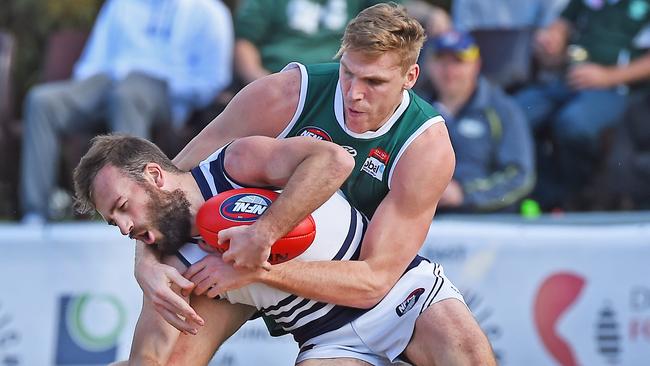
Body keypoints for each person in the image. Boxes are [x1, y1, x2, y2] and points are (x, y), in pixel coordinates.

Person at [136, 4, 495, 365]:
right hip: (256, 258)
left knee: (472, 357)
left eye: (373, 82)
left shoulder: (426, 147)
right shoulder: (286, 94)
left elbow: (376, 279)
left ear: (410, 76)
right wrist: (146, 263)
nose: (354, 93)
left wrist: (258, 267)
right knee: (158, 362)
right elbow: (167, 182)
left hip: (370, 288)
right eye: (348, 73)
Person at [73, 134, 469, 365]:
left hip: (404, 291)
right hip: (327, 337)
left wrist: (262, 236)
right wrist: (146, 273)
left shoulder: (232, 165)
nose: (124, 228)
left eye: (123, 208)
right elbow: (152, 359)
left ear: (155, 176)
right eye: (114, 222)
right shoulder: (175, 266)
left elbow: (332, 161)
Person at [19, 0, 233, 224]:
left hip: (165, 88)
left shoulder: (208, 11)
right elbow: (92, 61)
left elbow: (212, 79)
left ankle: (139, 210)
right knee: (42, 101)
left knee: (127, 95)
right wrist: (93, 90)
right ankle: (35, 214)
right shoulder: (120, 5)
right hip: (106, 81)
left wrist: (171, 88)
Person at [515, 0, 650, 209]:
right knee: (515, 115)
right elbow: (561, 25)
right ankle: (544, 195)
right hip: (567, 80)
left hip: (618, 89)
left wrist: (609, 76)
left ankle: (579, 197)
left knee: (573, 124)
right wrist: (551, 40)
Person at [425, 31, 535, 212]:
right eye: (442, 61)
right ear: (429, 65)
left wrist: (464, 194)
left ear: (476, 65)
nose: (449, 70)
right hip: (422, 221)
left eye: (458, 61)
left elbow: (520, 175)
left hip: (486, 223)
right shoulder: (415, 108)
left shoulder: (503, 110)